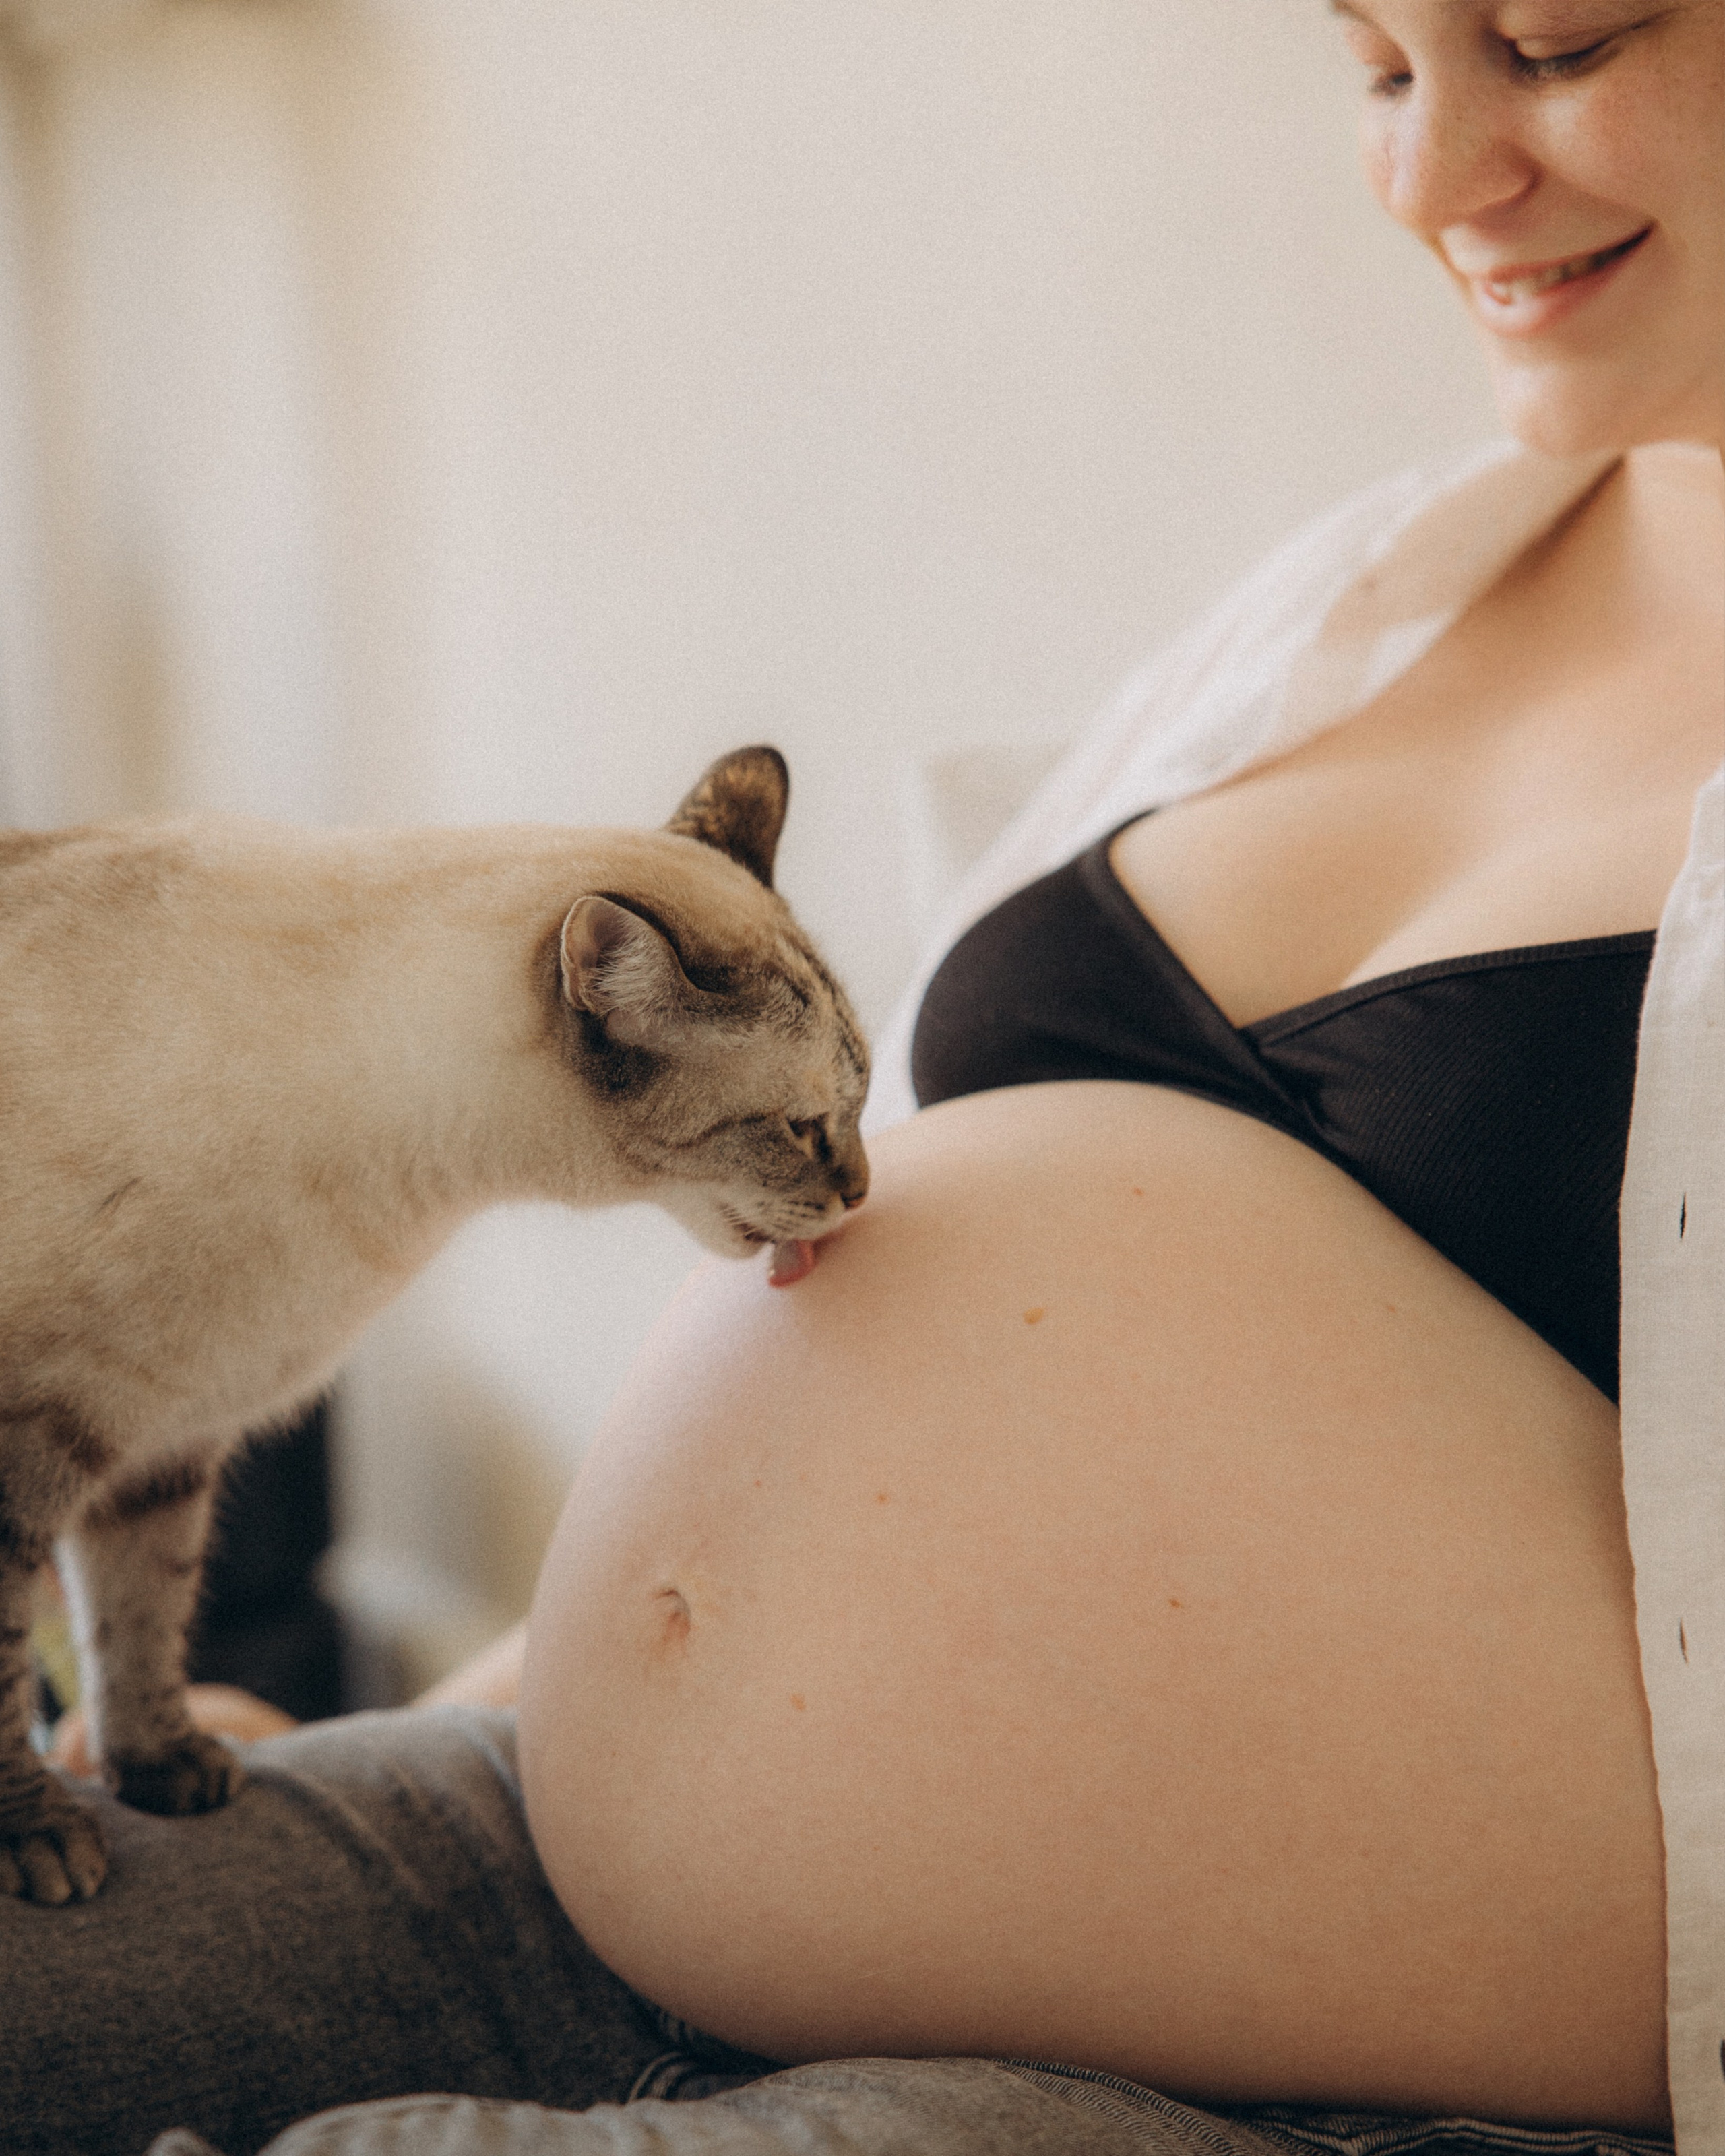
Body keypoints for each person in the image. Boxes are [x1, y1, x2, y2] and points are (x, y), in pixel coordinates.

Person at [5, 2, 1721, 2149]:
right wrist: (523, 1698)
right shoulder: (1356, 600)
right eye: (1377, 64)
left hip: (1258, 2056)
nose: (1426, 175)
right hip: (549, 1832)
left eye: (1556, 39)